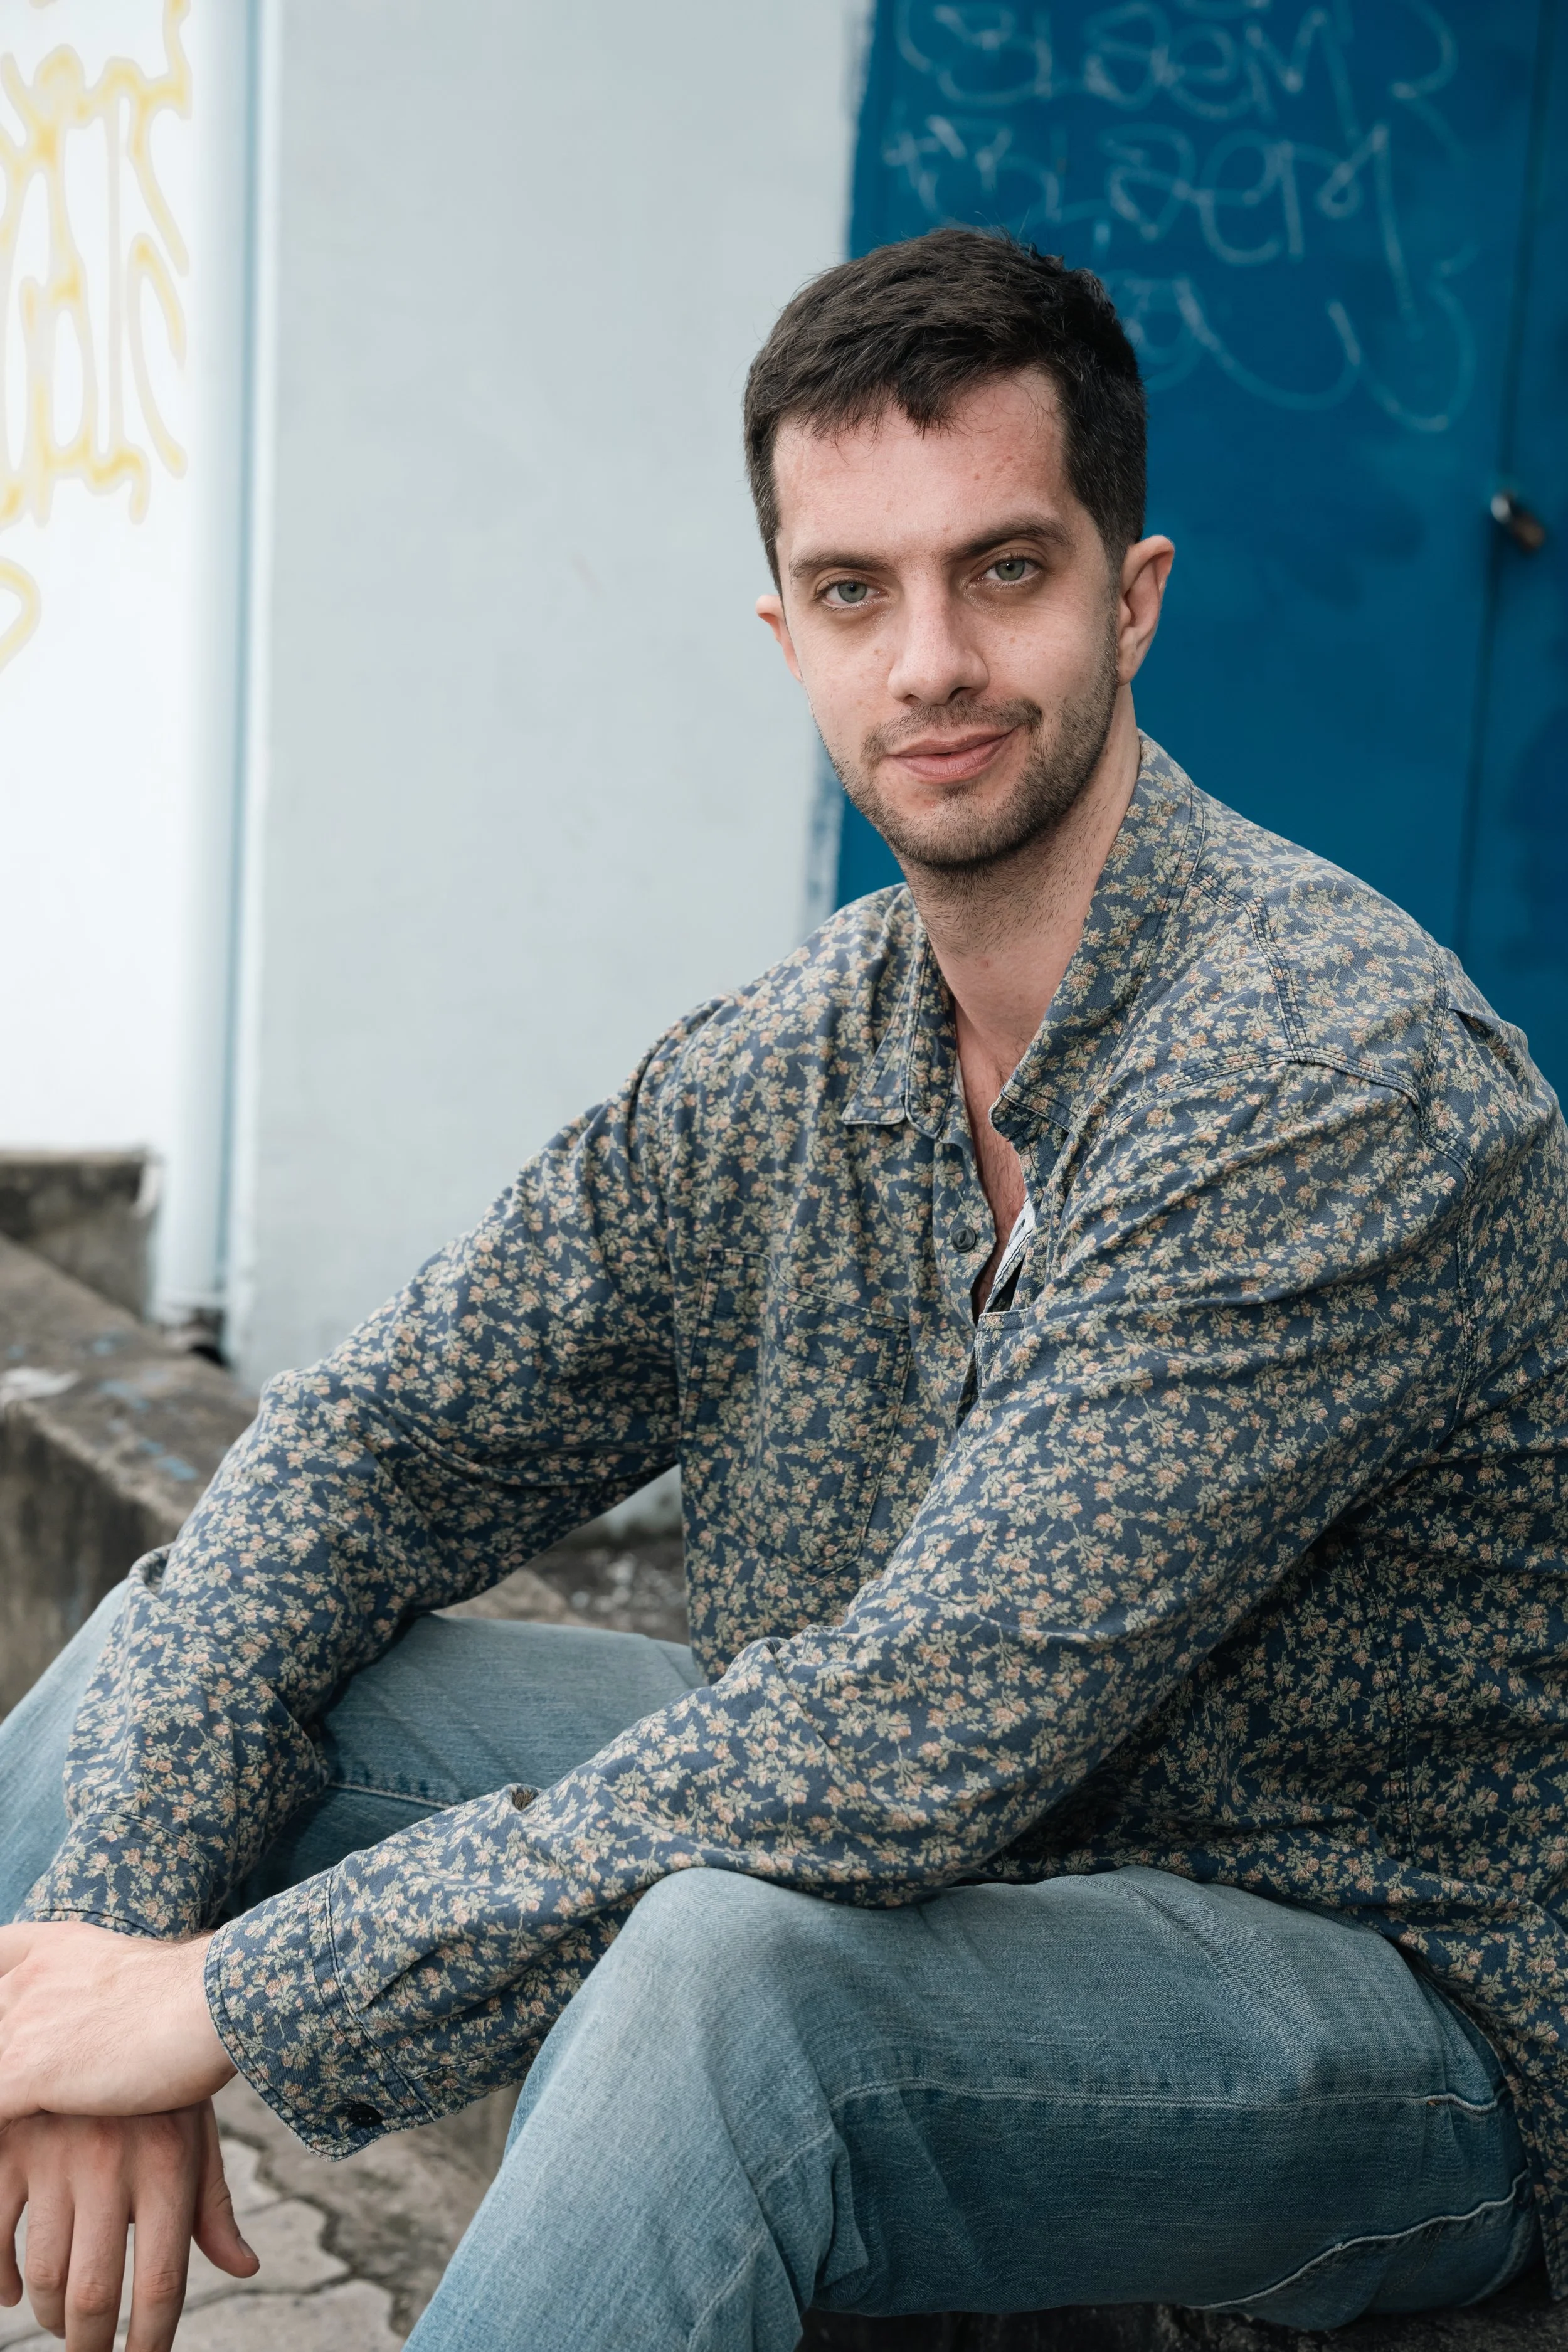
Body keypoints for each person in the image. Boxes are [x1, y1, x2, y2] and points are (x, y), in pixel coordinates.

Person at [1, 225, 1565, 2352]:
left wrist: (208, 1998)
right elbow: (365, 1451)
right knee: (184, 1661)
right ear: (788, 633)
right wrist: (96, 1953)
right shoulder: (785, 1067)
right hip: (959, 1873)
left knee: (736, 1986)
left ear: (1134, 595)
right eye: (855, 591)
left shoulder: (1320, 1072)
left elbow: (919, 1731)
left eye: (998, 571)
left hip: (1375, 2001)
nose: (926, 657)